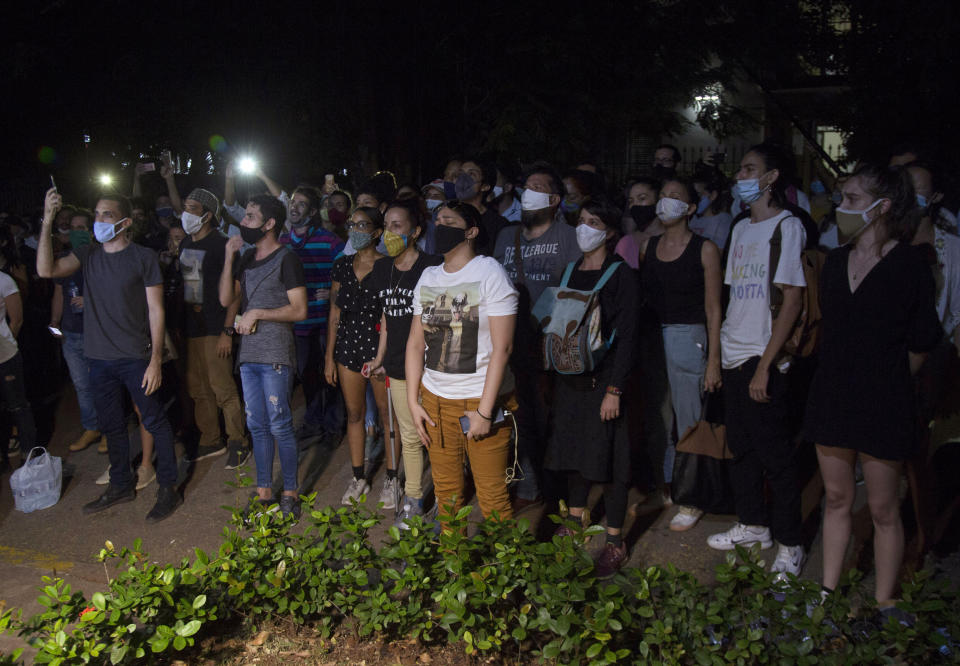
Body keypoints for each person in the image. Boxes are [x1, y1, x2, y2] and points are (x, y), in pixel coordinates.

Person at [804, 163, 940, 604]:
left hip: (885, 402)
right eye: (842, 199)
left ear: (882, 207)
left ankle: (885, 602)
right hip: (832, 397)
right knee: (838, 499)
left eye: (852, 200)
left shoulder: (909, 264)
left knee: (883, 509)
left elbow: (922, 341)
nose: (842, 208)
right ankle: (826, 592)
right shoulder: (836, 261)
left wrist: (890, 382)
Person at [37, 188, 181, 522]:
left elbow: (156, 310)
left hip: (135, 358)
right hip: (98, 359)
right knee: (112, 425)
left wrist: (155, 359)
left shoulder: (144, 257)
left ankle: (168, 489)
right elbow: (46, 270)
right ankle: (120, 486)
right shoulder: (88, 254)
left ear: (126, 222)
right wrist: (47, 220)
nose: (98, 220)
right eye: (97, 213)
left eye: (107, 215)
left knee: (155, 420)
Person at [706, 143, 807, 576]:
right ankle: (752, 524)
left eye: (750, 169)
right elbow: (732, 298)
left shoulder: (788, 227)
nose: (740, 176)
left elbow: (792, 302)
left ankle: (791, 542)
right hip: (732, 354)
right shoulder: (741, 228)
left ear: (771, 178)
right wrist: (717, 357)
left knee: (776, 458)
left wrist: (767, 364)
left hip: (761, 357)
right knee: (742, 449)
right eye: (739, 169)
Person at [407, 200, 518, 521]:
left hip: (478, 401)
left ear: (470, 231)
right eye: (436, 220)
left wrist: (485, 411)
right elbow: (415, 344)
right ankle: (456, 567)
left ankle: (504, 569)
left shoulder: (489, 272)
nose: (439, 226)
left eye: (448, 220)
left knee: (493, 497)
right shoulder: (428, 275)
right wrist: (415, 402)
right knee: (447, 494)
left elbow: (503, 348)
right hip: (435, 402)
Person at [544, 197, 637, 577]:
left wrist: (615, 390)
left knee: (612, 461)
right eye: (581, 220)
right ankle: (576, 519)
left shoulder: (622, 275)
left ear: (610, 232)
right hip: (570, 380)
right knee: (574, 453)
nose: (584, 228)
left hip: (603, 383)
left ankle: (614, 540)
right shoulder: (569, 271)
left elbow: (629, 336)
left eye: (593, 222)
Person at [493, 162, 581, 512]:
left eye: (537, 187)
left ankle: (556, 489)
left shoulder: (569, 238)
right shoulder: (505, 236)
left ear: (555, 199)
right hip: (510, 343)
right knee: (516, 416)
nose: (527, 191)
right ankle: (526, 481)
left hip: (549, 344)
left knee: (550, 420)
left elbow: (575, 293)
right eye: (525, 185)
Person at [639, 178, 723, 531]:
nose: (666, 201)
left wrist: (714, 360)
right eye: (663, 195)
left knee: (689, 420)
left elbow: (714, 308)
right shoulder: (649, 245)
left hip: (689, 338)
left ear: (691, 208)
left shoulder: (705, 249)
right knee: (661, 421)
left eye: (676, 196)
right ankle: (668, 488)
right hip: (655, 339)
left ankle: (693, 497)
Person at [219, 194, 307, 518]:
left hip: (275, 355)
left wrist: (258, 312)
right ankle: (263, 492)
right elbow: (226, 298)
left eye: (251, 217)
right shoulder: (246, 259)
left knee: (280, 424)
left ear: (270, 224)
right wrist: (229, 258)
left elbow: (299, 309)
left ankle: (291, 493)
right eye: (245, 217)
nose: (244, 223)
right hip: (249, 356)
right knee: (256, 425)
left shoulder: (287, 259)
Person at [365, 200, 442, 520]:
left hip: (432, 367)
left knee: (437, 437)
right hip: (397, 366)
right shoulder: (382, 268)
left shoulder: (432, 266)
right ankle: (412, 498)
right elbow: (385, 317)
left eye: (398, 225)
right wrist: (380, 357)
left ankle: (445, 496)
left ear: (416, 231)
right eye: (386, 226)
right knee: (409, 436)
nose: (389, 232)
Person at [178, 188, 249, 467]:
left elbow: (236, 291)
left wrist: (226, 331)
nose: (186, 213)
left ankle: (238, 442)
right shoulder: (185, 243)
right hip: (193, 326)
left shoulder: (222, 246)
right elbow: (190, 287)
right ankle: (211, 439)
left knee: (223, 388)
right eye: (186, 206)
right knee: (198, 388)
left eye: (192, 208)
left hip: (214, 326)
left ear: (208, 214)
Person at [326, 207, 391, 505]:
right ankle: (358, 478)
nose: (356, 229)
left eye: (363, 224)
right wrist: (329, 356)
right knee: (354, 414)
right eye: (353, 224)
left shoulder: (390, 266)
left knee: (387, 415)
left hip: (380, 347)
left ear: (377, 232)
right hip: (348, 346)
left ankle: (392, 478)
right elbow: (335, 313)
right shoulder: (341, 266)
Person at [278, 186, 346, 446]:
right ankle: (313, 420)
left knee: (329, 375)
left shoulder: (330, 241)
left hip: (326, 323)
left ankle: (332, 425)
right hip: (297, 325)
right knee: (306, 375)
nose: (294, 207)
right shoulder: (282, 243)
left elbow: (347, 274)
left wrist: (330, 288)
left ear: (313, 211)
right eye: (293, 202)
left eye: (302, 204)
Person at [50, 213, 103, 454]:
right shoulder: (64, 259)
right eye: (72, 228)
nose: (76, 231)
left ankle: (110, 429)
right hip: (71, 334)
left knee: (103, 384)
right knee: (81, 385)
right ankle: (92, 427)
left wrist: (91, 301)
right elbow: (59, 294)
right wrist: (54, 322)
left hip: (96, 332)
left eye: (81, 227)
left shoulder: (100, 256)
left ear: (91, 231)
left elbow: (115, 294)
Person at [0, 227, 35, 476]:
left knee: (17, 406)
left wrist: (6, 344)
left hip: (5, 355)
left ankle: (30, 453)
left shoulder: (4, 281)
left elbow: (17, 320)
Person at [454, 158, 507, 256]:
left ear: (485, 186)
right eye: (460, 174)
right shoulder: (443, 217)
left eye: (471, 174)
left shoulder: (497, 225)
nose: (463, 179)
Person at [615, 178, 662, 267]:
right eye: (631, 201)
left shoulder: (674, 239)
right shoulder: (625, 244)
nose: (635, 205)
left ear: (658, 201)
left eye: (642, 198)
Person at [690, 171, 734, 251]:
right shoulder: (694, 218)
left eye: (700, 194)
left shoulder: (723, 220)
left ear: (713, 195)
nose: (696, 199)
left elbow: (719, 253)